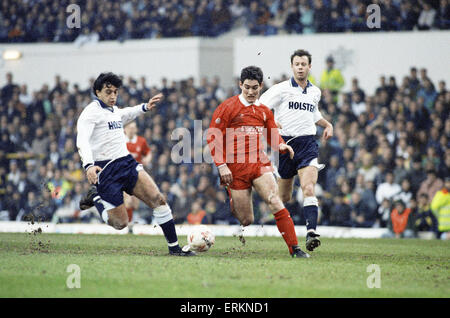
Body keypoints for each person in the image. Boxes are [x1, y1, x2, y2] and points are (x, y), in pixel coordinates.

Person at [76, 72, 194, 256]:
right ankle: (97, 198)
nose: (113, 96)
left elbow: (125, 113)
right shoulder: (90, 113)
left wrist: (144, 107)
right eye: (108, 92)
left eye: (115, 92)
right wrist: (89, 166)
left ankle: (175, 249)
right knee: (120, 223)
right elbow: (82, 140)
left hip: (126, 163)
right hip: (105, 170)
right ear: (97, 92)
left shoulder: (114, 110)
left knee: (159, 200)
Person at [207, 65, 310, 258]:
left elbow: (272, 134)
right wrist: (221, 166)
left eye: (255, 87)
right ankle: (233, 197)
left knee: (274, 200)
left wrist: (280, 145)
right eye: (247, 87)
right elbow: (213, 137)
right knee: (246, 220)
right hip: (235, 168)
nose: (251, 91)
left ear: (261, 86)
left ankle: (294, 249)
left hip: (259, 164)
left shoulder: (263, 110)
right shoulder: (227, 108)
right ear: (240, 85)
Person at [259, 49, 334, 252]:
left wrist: (327, 124)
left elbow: (313, 113)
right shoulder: (281, 89)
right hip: (284, 145)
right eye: (297, 64)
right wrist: (273, 121)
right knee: (283, 198)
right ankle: (285, 231)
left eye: (303, 64)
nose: (300, 67)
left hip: (308, 144)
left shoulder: (314, 92)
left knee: (308, 188)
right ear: (292, 67)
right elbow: (260, 107)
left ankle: (311, 233)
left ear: (309, 67)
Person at [123, 121, 152, 228]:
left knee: (135, 204)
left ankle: (129, 221)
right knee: (129, 201)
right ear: (124, 129)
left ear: (136, 130)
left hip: (137, 175)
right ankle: (128, 225)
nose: (131, 130)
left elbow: (148, 152)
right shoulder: (120, 141)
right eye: (129, 127)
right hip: (123, 175)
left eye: (133, 128)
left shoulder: (141, 141)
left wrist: (147, 159)